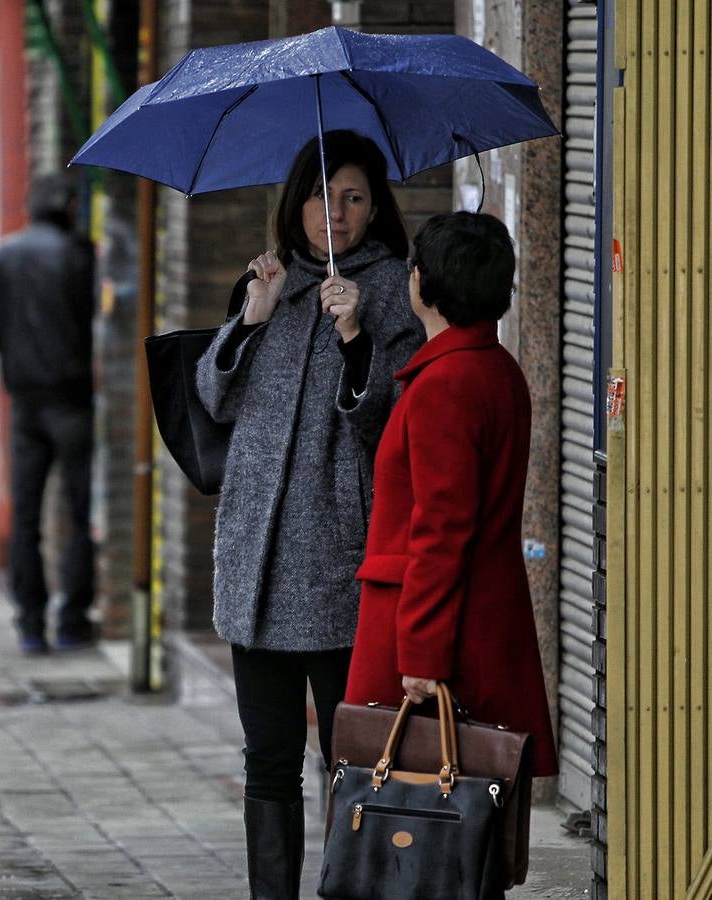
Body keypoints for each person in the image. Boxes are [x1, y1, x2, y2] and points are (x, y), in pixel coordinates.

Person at [194, 130, 424, 899]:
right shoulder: (267, 279)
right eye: (324, 197)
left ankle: (349, 889)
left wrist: (355, 335)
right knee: (267, 755)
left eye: (355, 198)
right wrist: (251, 318)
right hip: (255, 550)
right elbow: (212, 398)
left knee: (351, 756)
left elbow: (386, 422)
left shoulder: (391, 287)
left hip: (337, 552)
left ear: (374, 207)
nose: (337, 214)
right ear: (297, 203)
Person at [343, 212, 559, 785]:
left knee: (414, 814)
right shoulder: (496, 369)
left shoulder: (445, 383)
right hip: (478, 614)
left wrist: (420, 656)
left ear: (422, 282)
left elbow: (443, 527)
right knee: (462, 816)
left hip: (433, 626)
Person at [0, 172, 97, 655]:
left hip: (24, 401)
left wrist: (18, 357)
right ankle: (72, 620)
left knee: (25, 515)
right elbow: (97, 319)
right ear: (69, 206)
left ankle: (30, 622)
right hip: (71, 398)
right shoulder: (78, 254)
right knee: (81, 509)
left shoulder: (4, 255)